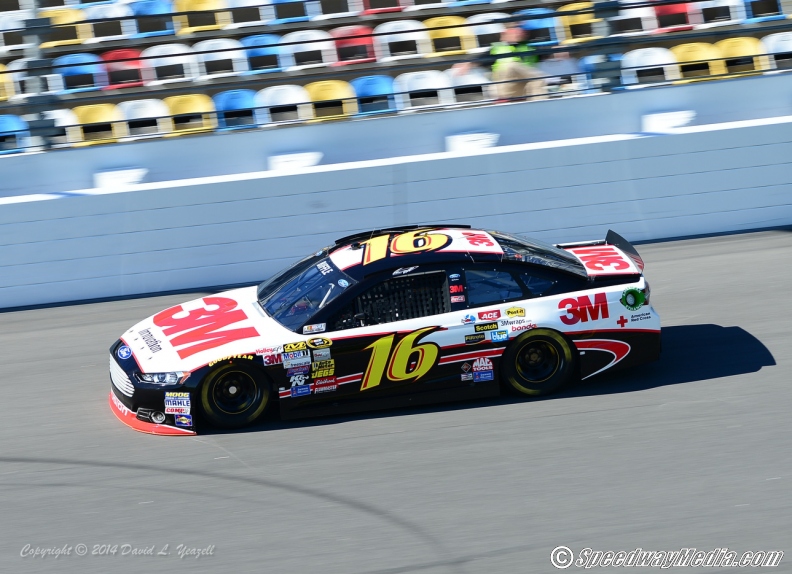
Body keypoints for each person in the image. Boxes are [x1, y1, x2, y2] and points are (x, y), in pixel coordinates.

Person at [452, 24, 548, 101]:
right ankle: (541, 104)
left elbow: (547, 54)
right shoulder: (497, 49)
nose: (520, 31)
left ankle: (539, 104)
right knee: (513, 66)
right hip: (506, 88)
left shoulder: (529, 47)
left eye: (520, 29)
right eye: (515, 28)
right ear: (504, 33)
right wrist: (468, 63)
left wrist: (558, 51)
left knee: (535, 81)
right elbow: (480, 58)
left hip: (526, 89)